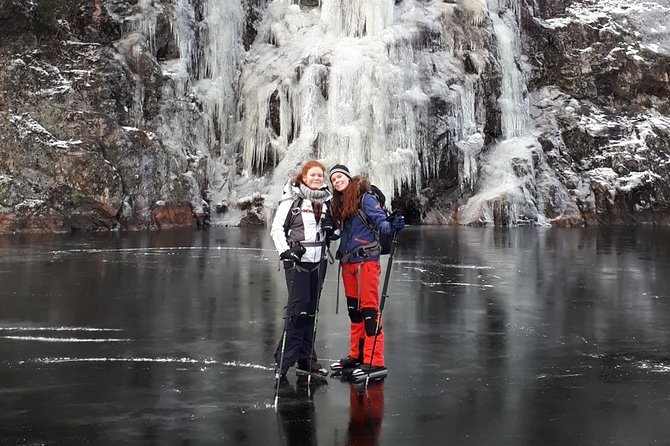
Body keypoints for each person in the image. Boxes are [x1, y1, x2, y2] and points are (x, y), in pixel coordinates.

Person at [328, 164, 405, 379]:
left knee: (370, 311)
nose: (337, 181)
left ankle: (375, 360)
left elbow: (382, 223)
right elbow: (337, 231)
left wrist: (394, 226)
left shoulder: (365, 198)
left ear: (349, 178)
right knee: (355, 311)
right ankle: (357, 355)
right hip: (348, 263)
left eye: (340, 177)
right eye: (333, 179)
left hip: (366, 263)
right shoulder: (340, 203)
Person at [270, 160, 334, 379]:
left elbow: (336, 231)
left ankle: (306, 358)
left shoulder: (327, 201)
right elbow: (277, 228)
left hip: (320, 261)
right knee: (298, 311)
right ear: (304, 178)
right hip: (297, 261)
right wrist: (286, 251)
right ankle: (283, 361)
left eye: (320, 176)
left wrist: (332, 230)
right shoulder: (293, 199)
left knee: (312, 311)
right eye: (313, 175)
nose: (317, 179)